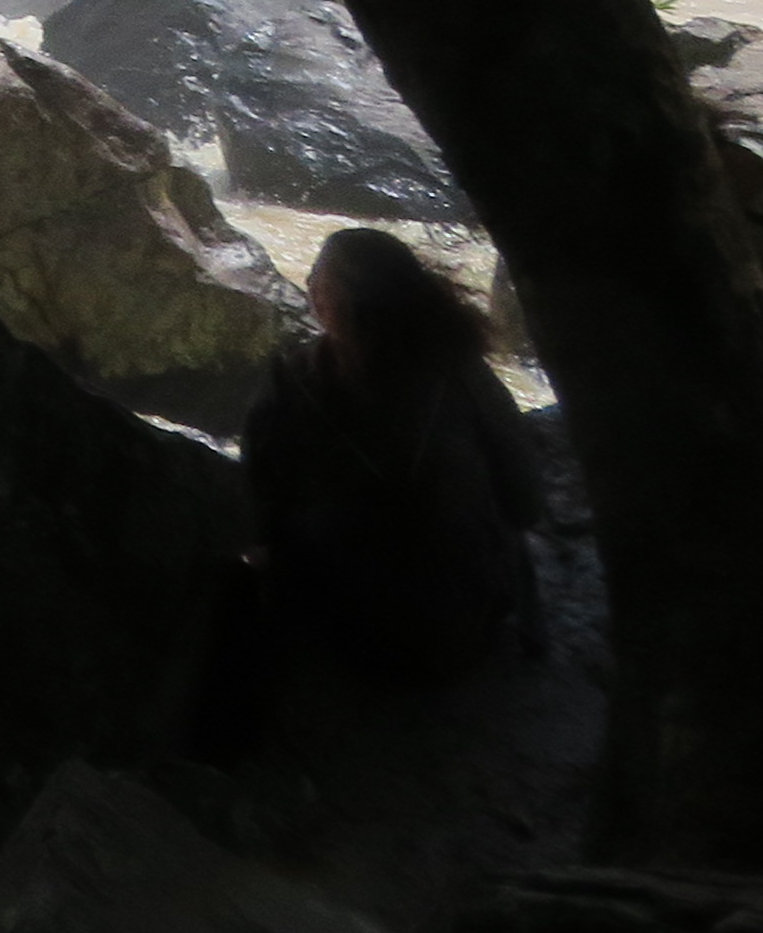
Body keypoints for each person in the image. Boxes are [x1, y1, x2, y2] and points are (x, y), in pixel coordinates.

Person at [197, 227, 542, 752]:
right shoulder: (462, 372)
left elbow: (261, 513)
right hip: (460, 629)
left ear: (337, 303)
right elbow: (526, 502)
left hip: (348, 634)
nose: (309, 284)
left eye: (319, 277)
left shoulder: (289, 385)